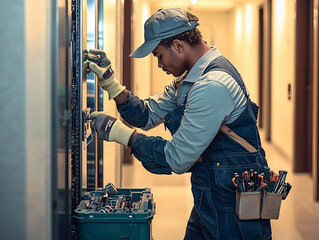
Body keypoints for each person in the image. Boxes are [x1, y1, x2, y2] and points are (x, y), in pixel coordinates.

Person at [86, 8, 272, 240]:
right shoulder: (191, 79)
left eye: (158, 56)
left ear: (178, 46)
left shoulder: (212, 85)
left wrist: (119, 133)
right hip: (210, 193)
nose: (159, 64)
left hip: (231, 206)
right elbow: (146, 115)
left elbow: (177, 159)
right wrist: (109, 81)